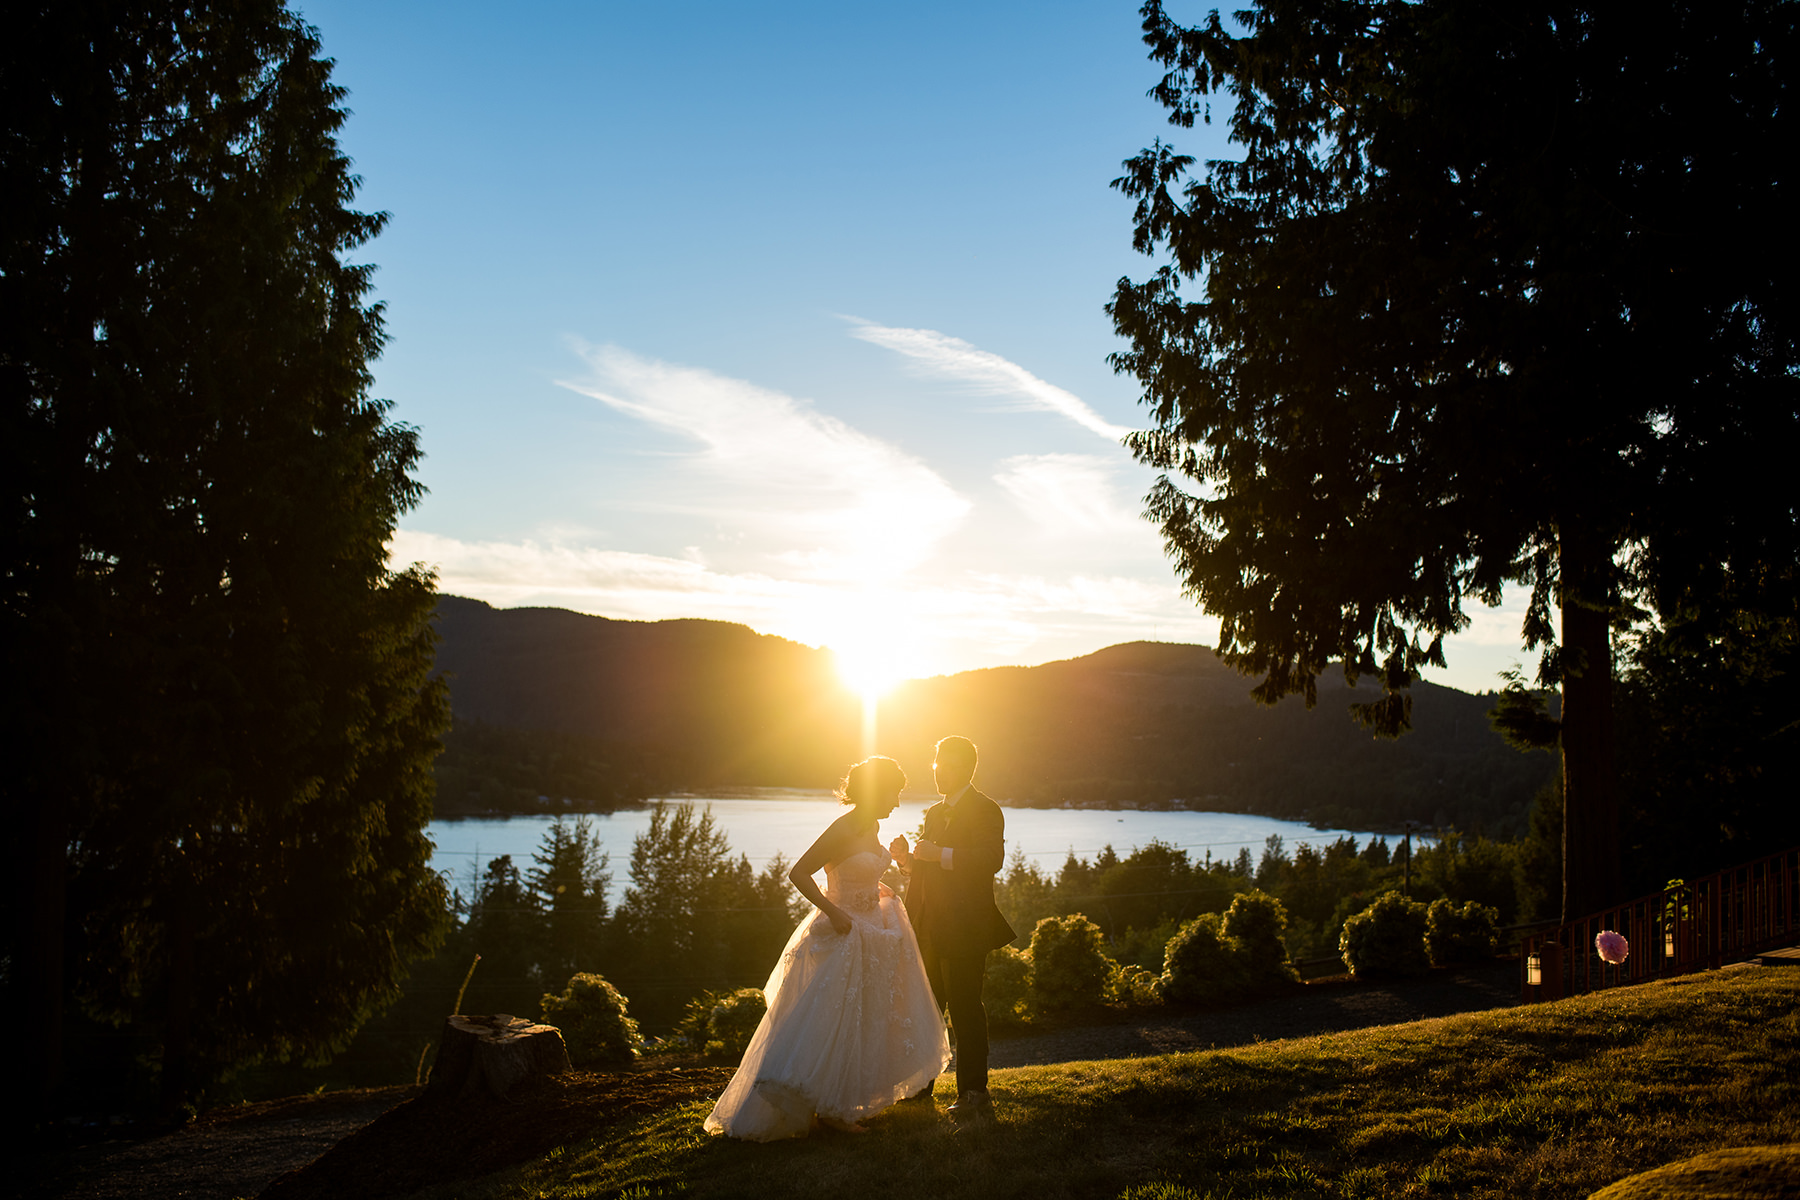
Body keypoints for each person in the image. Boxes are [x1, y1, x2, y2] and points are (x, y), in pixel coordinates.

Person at [703, 756, 949, 1141]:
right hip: (843, 932)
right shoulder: (842, 827)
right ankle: (829, 1108)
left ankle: (843, 1102)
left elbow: (861, 870)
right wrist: (833, 911)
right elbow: (799, 872)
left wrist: (892, 870)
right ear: (875, 791)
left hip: (872, 929)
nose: (897, 802)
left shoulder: (873, 824)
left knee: (864, 1018)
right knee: (832, 1020)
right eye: (893, 793)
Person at [891, 735, 1016, 1125]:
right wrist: (906, 862)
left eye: (940, 764)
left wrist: (939, 854)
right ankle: (920, 1086)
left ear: (961, 766)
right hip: (929, 924)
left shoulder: (986, 809)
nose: (935, 770)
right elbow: (927, 869)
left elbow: (991, 860)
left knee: (964, 1008)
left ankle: (974, 1093)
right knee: (928, 1009)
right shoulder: (933, 813)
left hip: (965, 926)